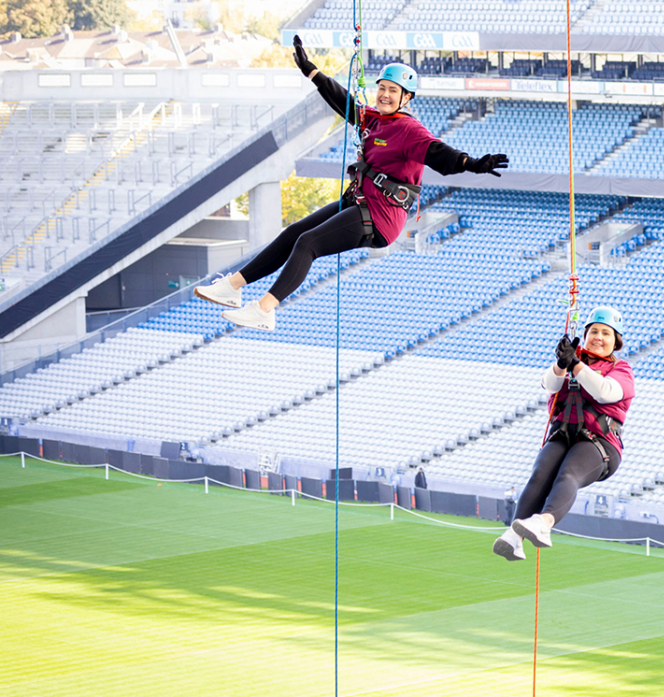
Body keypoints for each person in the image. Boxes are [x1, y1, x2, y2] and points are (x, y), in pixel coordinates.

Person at [194, 36, 509, 330]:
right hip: (359, 201)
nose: (385, 94)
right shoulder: (374, 119)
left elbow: (441, 155)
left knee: (308, 243)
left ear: (406, 97)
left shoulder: (409, 130)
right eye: (382, 88)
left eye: (393, 91)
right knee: (293, 233)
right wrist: (312, 72)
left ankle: (264, 310)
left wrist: (473, 164)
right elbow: (342, 100)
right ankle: (231, 287)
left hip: (380, 217)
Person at [493, 307, 633, 561]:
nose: (598, 337)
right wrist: (561, 364)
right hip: (563, 436)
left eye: (605, 333)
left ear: (616, 342)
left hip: (599, 444)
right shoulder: (571, 361)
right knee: (539, 475)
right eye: (593, 331)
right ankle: (514, 537)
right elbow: (549, 384)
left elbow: (605, 392)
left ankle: (544, 523)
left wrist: (576, 365)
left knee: (568, 474)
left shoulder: (621, 371)